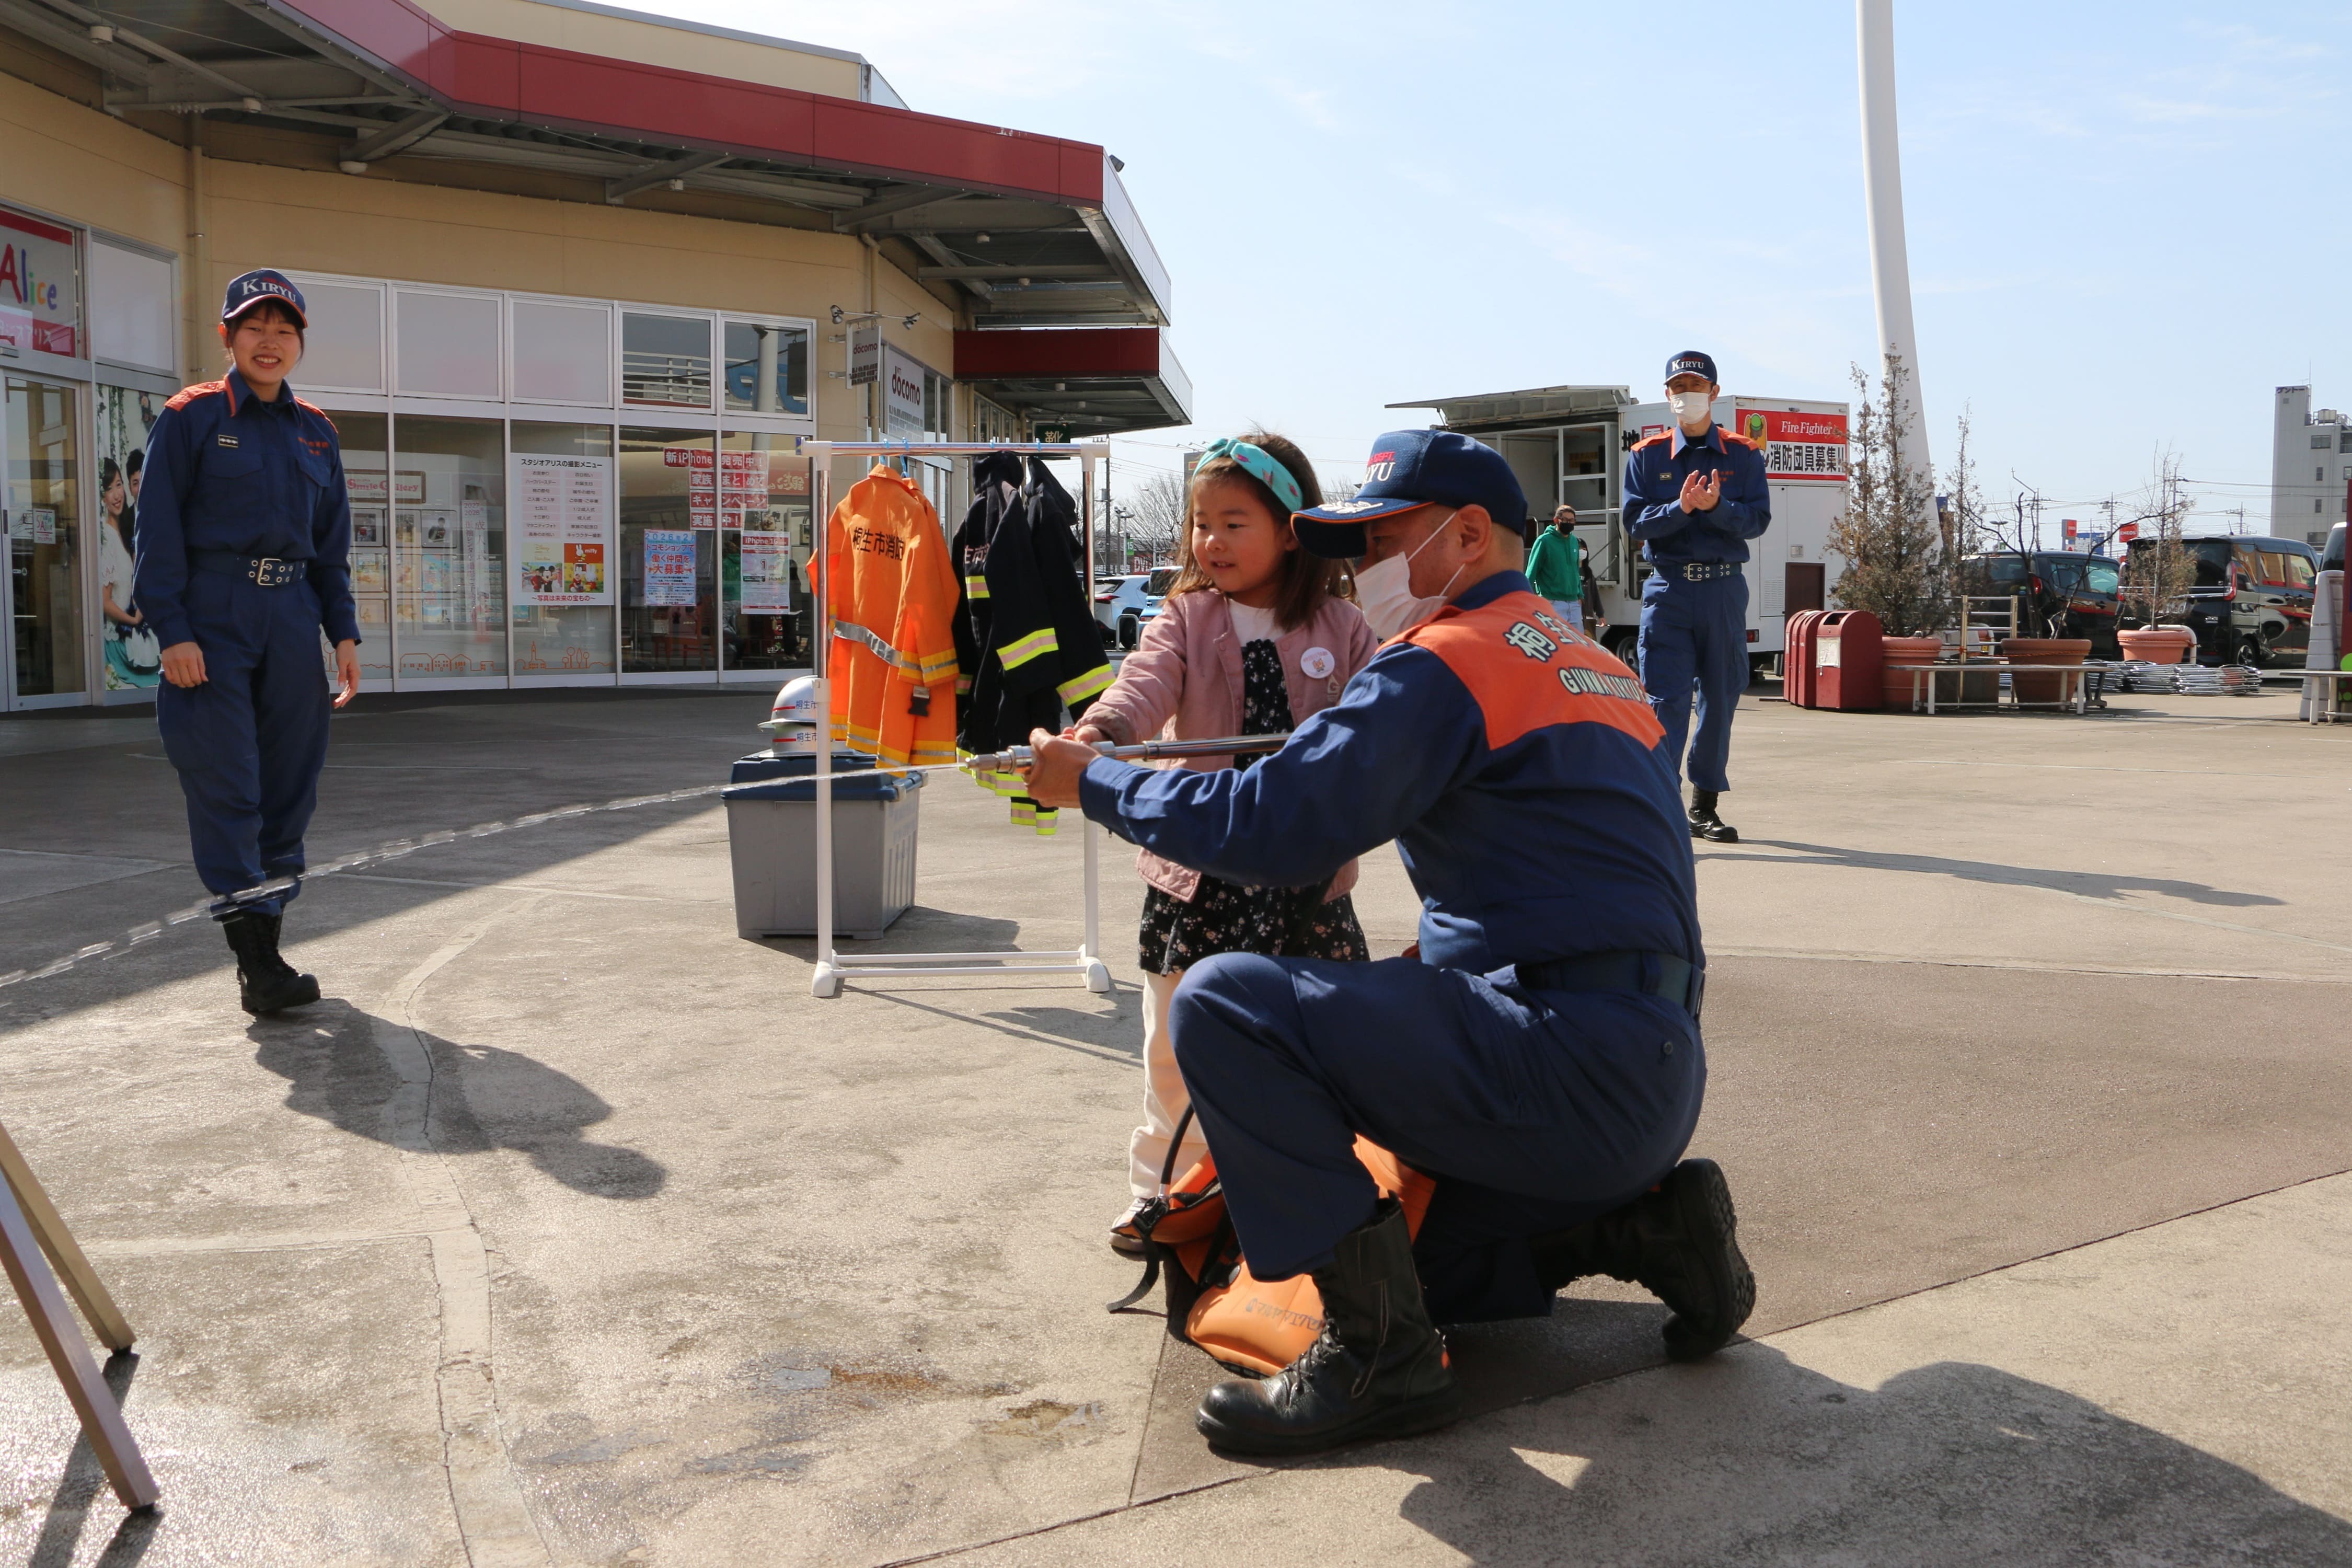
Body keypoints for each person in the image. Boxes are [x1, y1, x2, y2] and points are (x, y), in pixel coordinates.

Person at [1023, 429, 1753, 1456]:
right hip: (1655, 1072)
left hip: (1557, 1062)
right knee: (1413, 1266)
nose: (1357, 573)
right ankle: (1647, 1231)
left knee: (1226, 1004)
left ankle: (1382, 1364)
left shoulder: (1446, 661)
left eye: (1377, 544)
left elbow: (1270, 828)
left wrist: (1090, 780)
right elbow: (1571, 886)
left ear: (1464, 538)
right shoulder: (1598, 668)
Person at [1067, 432, 1378, 1255]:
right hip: (1196, 878)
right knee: (1173, 1048)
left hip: (1307, 881)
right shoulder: (1184, 615)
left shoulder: (1344, 626)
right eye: (1202, 524)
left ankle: (1317, 1188)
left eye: (1234, 522)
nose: (1211, 541)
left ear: (1291, 528)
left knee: (1318, 1048)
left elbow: (1382, 720)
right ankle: (1164, 1190)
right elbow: (1142, 685)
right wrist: (1100, 733)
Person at [134, 269, 363, 1015]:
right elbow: (157, 528)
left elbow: (331, 550)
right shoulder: (191, 416)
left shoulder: (317, 431)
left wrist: (345, 634)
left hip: (294, 615)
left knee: (290, 785)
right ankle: (257, 965)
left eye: (284, 330)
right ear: (227, 336)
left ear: (300, 342)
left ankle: (268, 945)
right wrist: (173, 629)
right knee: (229, 782)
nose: (271, 343)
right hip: (213, 612)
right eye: (255, 328)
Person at [1621, 350, 1770, 844]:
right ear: (1667, 394)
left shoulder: (1744, 454)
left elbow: (1757, 520)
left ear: (1714, 391)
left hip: (1724, 588)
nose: (1686, 393)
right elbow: (1635, 523)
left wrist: (1718, 506)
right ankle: (1661, 805)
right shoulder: (1646, 456)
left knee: (1722, 696)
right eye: (1678, 385)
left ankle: (1704, 806)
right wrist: (1681, 507)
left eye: (1696, 385)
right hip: (1670, 589)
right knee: (1666, 699)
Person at [1526, 503, 1590, 631]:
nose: (1569, 523)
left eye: (1572, 521)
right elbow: (1531, 571)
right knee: (1556, 644)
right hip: (1552, 602)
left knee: (1577, 645)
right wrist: (1526, 599)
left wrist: (1580, 595)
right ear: (1556, 520)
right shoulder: (1544, 541)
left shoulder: (1574, 541)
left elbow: (1574, 570)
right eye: (1565, 520)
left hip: (1574, 603)